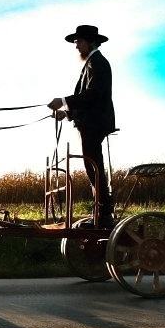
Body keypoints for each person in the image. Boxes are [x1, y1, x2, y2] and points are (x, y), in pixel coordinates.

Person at [47, 24, 117, 228]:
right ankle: (101, 211)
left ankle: (103, 214)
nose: (76, 46)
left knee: (93, 166)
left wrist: (63, 101)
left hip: (94, 123)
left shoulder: (98, 63)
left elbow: (93, 95)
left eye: (79, 42)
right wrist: (67, 113)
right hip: (91, 121)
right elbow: (87, 100)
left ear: (90, 42)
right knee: (92, 165)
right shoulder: (92, 63)